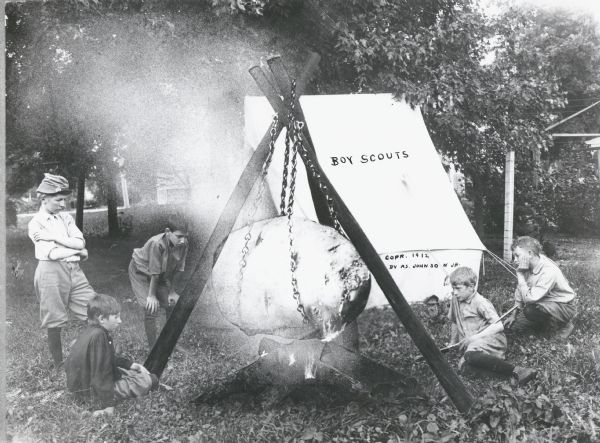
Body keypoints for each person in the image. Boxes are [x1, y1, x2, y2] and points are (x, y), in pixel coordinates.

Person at [28, 173, 94, 368]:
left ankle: (92, 354)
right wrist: (79, 251)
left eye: (64, 199)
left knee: (94, 308)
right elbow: (53, 254)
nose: (63, 204)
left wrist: (54, 237)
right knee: (54, 319)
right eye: (59, 200)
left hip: (74, 270)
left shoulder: (65, 217)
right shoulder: (35, 224)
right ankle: (59, 364)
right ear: (43, 199)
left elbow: (80, 240)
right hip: (50, 272)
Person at [65, 293, 158, 416]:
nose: (120, 321)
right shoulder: (99, 336)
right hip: (92, 391)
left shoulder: (91, 331)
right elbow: (101, 372)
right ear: (102, 319)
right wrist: (108, 405)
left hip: (80, 387)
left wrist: (131, 365)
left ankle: (128, 378)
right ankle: (98, 409)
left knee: (134, 372)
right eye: (116, 317)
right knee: (151, 380)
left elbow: (106, 358)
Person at [448, 266, 537, 385]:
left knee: (470, 356)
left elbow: (499, 326)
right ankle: (510, 377)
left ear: (471, 287)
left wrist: (475, 338)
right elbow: (454, 320)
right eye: (453, 288)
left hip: (490, 340)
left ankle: (516, 370)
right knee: (463, 368)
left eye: (458, 288)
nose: (455, 292)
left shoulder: (480, 302)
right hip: (473, 344)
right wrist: (453, 342)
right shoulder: (455, 299)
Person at [128, 215, 189, 347]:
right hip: (141, 272)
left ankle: (170, 343)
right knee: (151, 308)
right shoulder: (157, 244)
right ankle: (153, 348)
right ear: (168, 232)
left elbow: (178, 269)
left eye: (186, 236)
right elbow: (154, 274)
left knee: (170, 304)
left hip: (160, 273)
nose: (183, 240)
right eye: (179, 236)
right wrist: (151, 295)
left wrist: (172, 292)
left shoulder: (183, 244)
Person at [504, 236, 577, 339]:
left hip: (563, 306)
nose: (515, 260)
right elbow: (520, 289)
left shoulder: (548, 270)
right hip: (545, 301)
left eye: (517, 256)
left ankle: (564, 324)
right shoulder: (527, 265)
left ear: (530, 253)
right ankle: (544, 324)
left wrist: (520, 275)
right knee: (516, 328)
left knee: (530, 310)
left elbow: (529, 299)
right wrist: (513, 315)